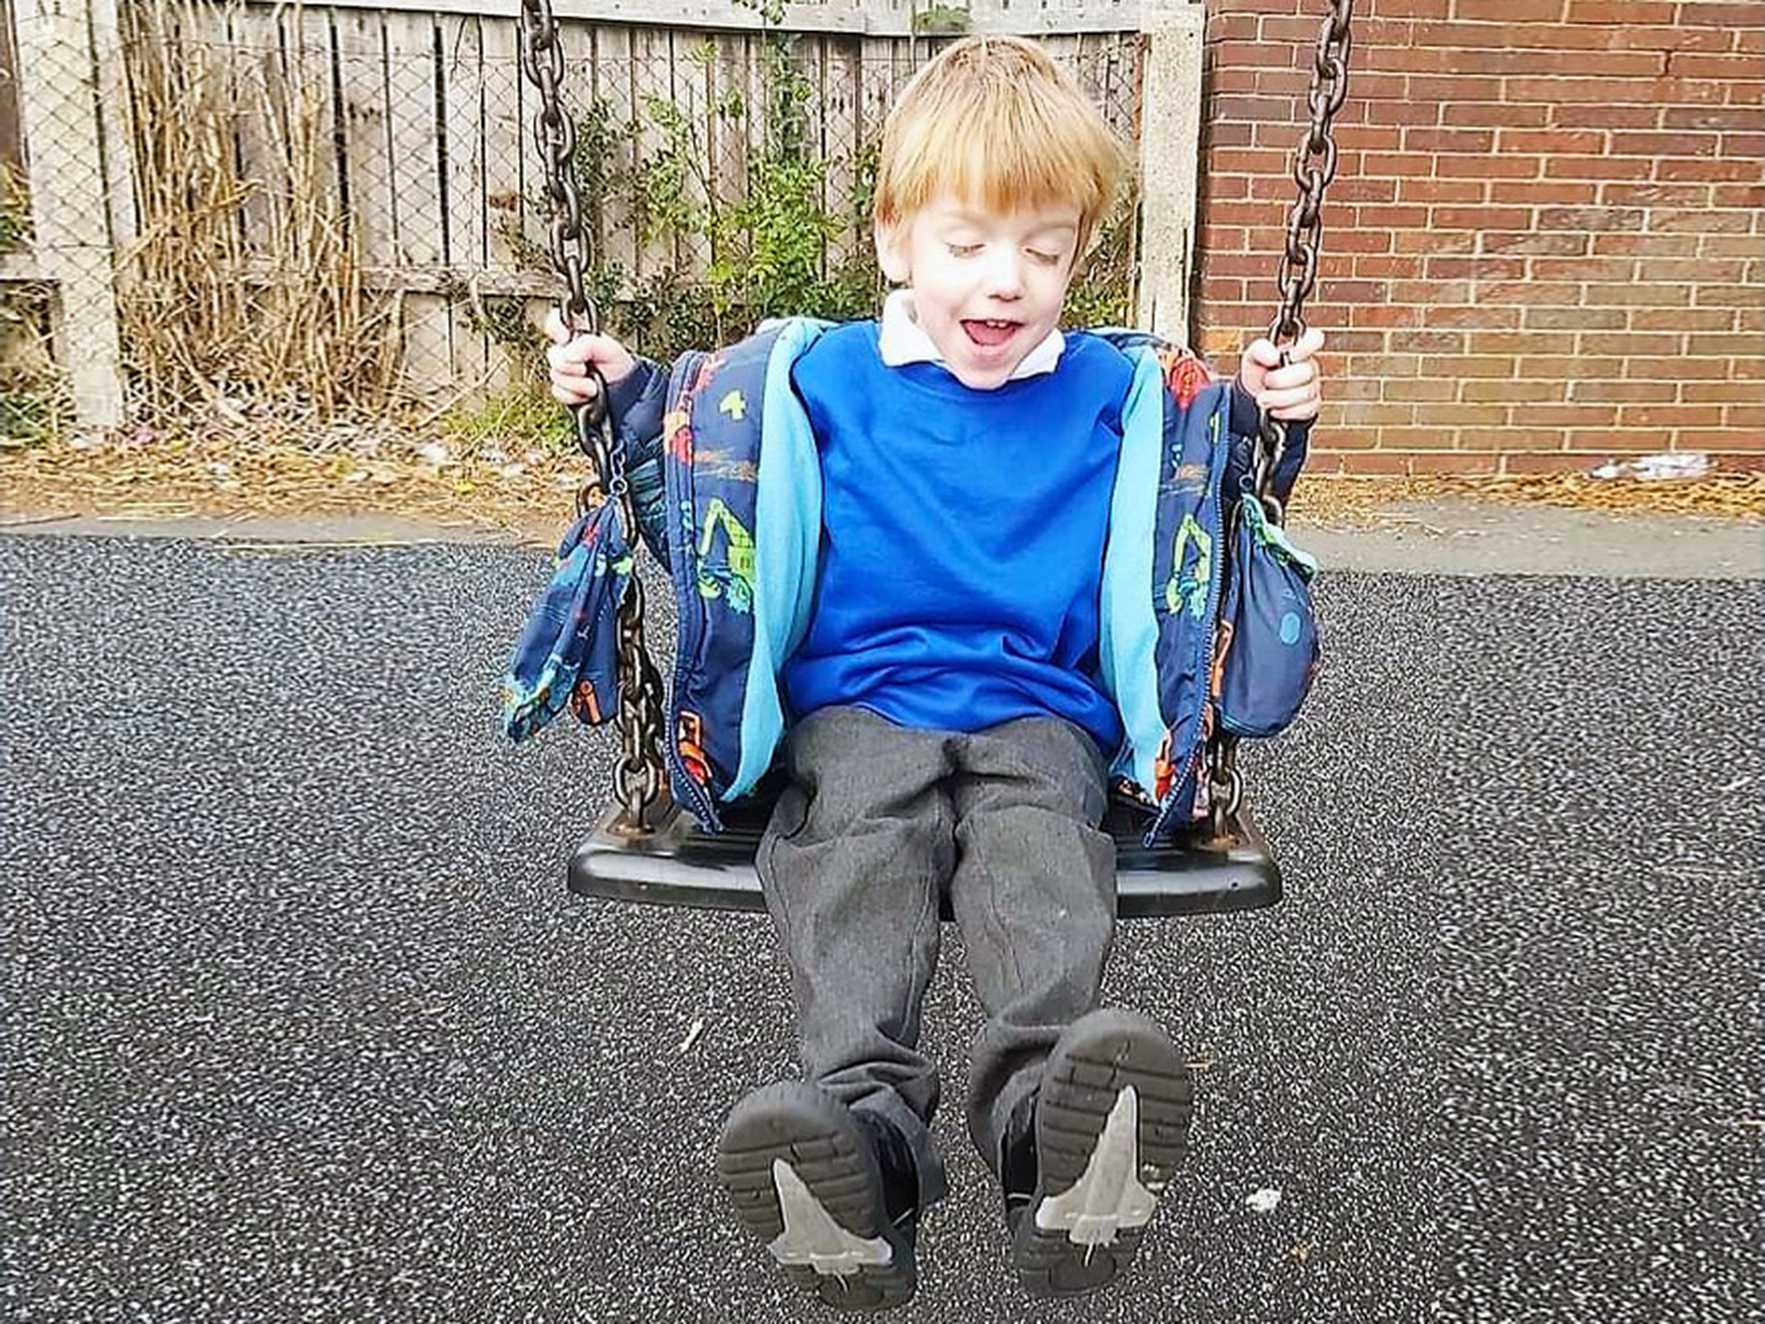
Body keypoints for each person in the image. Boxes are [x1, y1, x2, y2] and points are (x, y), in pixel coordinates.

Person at [542, 34, 1323, 1311]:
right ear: (897, 239)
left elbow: (1218, 485)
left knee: (1039, 862)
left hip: (1042, 711)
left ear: (1079, 254)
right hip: (857, 710)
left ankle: (1050, 1137)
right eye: (968, 243)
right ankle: (860, 1150)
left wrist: (1267, 411)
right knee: (859, 856)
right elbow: (693, 466)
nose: (1004, 281)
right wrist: (620, 397)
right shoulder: (818, 377)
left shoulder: (1116, 392)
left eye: (1044, 249)